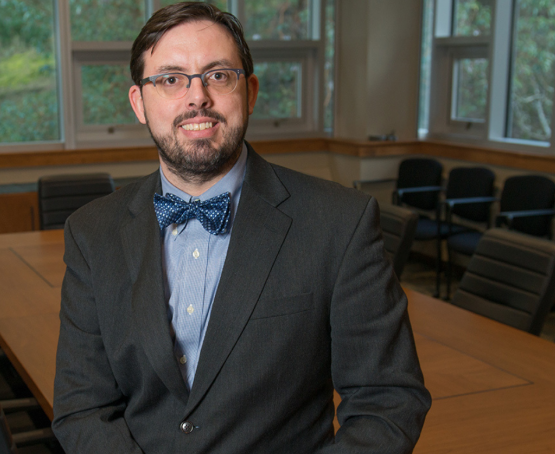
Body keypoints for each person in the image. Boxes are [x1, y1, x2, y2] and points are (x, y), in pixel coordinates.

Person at [51, 3, 431, 453]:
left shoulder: (340, 223)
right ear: (139, 103)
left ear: (249, 92)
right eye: (171, 79)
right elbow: (83, 406)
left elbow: (387, 401)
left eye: (218, 75)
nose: (197, 98)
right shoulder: (91, 232)